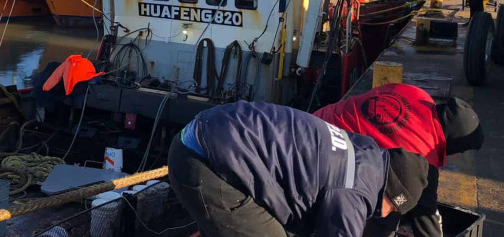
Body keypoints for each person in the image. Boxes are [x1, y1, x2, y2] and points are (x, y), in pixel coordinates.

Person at [168, 101, 430, 237]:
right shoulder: (355, 191)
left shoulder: (365, 153)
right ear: (393, 192)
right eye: (393, 209)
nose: (385, 216)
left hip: (205, 135)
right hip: (206, 163)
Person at [314, 83, 484, 237]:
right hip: (325, 162)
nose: (454, 156)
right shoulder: (423, 156)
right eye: (458, 150)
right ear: (454, 140)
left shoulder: (417, 94)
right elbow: (426, 215)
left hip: (314, 125)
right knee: (395, 197)